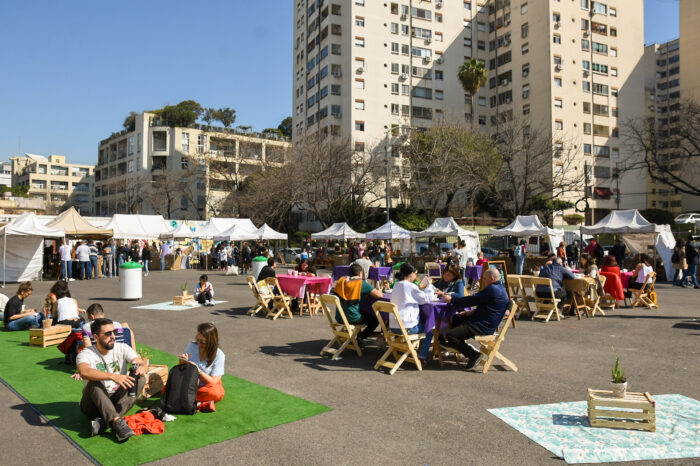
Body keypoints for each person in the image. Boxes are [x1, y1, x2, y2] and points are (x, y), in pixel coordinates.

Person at [76, 317, 146, 441]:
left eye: (115, 332)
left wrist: (142, 368)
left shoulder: (122, 347)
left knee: (140, 379)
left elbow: (141, 362)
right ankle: (116, 421)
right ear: (96, 337)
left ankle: (107, 422)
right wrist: (113, 376)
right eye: (108, 334)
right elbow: (84, 371)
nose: (113, 336)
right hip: (93, 404)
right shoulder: (86, 353)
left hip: (116, 400)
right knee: (94, 382)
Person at [441, 268, 510, 369]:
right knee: (454, 319)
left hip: (482, 325)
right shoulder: (500, 288)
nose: (483, 281)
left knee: (451, 335)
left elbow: (472, 300)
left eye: (485, 278)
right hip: (483, 320)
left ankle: (473, 354)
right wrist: (472, 312)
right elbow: (490, 307)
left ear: (492, 278)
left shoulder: (493, 289)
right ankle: (450, 343)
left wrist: (452, 299)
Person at [390, 263, 434, 365]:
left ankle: (402, 352)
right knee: (430, 329)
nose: (416, 276)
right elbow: (427, 299)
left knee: (422, 324)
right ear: (411, 274)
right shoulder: (410, 286)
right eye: (415, 274)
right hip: (406, 327)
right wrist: (429, 286)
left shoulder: (397, 285)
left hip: (393, 326)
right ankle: (421, 357)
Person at [178, 322, 226, 412]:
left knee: (215, 392)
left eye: (203, 341)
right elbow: (181, 369)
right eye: (198, 339)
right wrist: (182, 361)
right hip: (190, 383)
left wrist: (198, 370)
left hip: (206, 387)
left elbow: (213, 382)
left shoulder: (219, 355)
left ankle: (191, 399)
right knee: (166, 389)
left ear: (211, 341)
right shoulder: (192, 345)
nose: (199, 343)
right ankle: (200, 402)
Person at [333, 263, 384, 344]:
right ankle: (360, 337)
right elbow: (379, 295)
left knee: (363, 312)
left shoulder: (342, 282)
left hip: (340, 317)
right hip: (353, 318)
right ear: (360, 273)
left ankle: (355, 337)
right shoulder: (361, 283)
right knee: (375, 319)